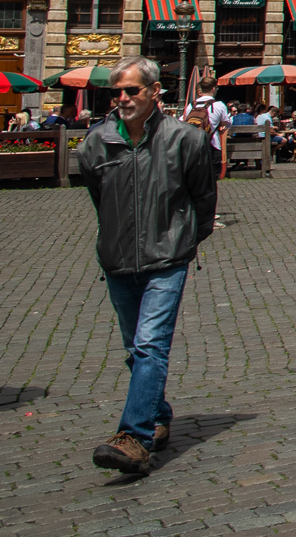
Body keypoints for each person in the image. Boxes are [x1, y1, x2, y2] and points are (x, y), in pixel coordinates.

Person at [76, 58, 218, 473]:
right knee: (134, 350)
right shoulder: (96, 143)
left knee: (151, 344)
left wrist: (187, 239)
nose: (122, 99)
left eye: (131, 91)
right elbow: (98, 196)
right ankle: (158, 414)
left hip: (168, 255)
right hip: (118, 258)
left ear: (155, 91)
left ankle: (133, 437)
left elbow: (203, 197)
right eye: (116, 92)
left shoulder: (184, 140)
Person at [180, 77, 231, 180]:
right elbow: (225, 123)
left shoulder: (191, 105)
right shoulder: (219, 105)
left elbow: (183, 121)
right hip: (212, 144)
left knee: (195, 179)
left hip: (193, 146)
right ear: (213, 88)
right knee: (211, 179)